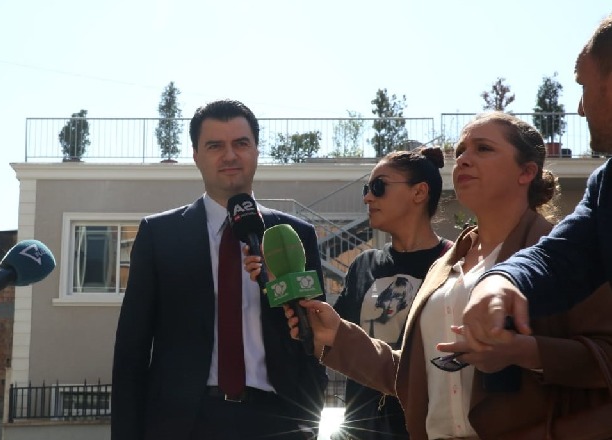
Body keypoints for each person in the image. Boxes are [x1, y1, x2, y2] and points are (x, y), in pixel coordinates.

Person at [259, 112, 612, 439]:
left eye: (483, 148)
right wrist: (337, 335)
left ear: (527, 172)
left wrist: (524, 352)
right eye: (460, 151)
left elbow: (606, 354)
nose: (463, 159)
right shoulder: (444, 267)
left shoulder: (566, 255)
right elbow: (415, 377)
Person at [112, 99, 327, 440]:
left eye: (241, 143)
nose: (230, 156)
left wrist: (310, 420)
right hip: (185, 423)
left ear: (256, 151)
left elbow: (316, 338)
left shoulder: (293, 235)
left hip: (278, 421)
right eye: (215, 146)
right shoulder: (160, 235)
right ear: (196, 155)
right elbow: (131, 349)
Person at [461, 13, 612, 352]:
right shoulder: (605, 187)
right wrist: (501, 280)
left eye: (583, 86)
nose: (580, 109)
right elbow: (558, 259)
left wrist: (534, 355)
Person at [330, 147, 452, 439]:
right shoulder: (363, 264)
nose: (368, 198)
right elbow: (336, 338)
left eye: (379, 186)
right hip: (361, 428)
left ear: (419, 193)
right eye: (366, 189)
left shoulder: (454, 264)